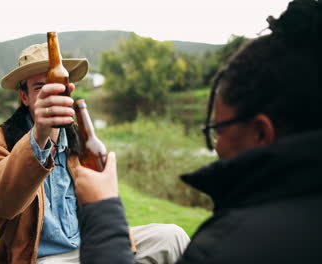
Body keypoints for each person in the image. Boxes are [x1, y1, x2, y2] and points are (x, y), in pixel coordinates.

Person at [74, 0, 322, 263]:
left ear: (261, 132)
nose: (216, 146)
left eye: (217, 131)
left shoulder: (227, 247)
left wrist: (102, 208)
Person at [0, 42, 190, 264]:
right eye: (40, 88)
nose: (52, 95)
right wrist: (39, 135)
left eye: (56, 86)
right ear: (25, 97)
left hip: (91, 245)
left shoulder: (81, 139)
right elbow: (0, 202)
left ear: (67, 90)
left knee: (173, 236)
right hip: (45, 259)